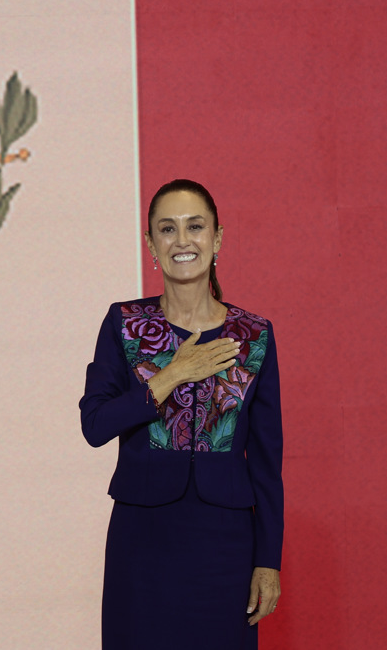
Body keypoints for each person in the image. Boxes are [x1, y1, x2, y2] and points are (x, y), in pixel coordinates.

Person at [80, 179, 283, 649]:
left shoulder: (254, 336)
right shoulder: (124, 324)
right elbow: (95, 426)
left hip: (226, 547)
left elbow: (269, 464)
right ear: (151, 245)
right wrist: (170, 375)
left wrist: (267, 561)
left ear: (217, 238)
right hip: (143, 540)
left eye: (195, 227)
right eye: (167, 229)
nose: (183, 240)